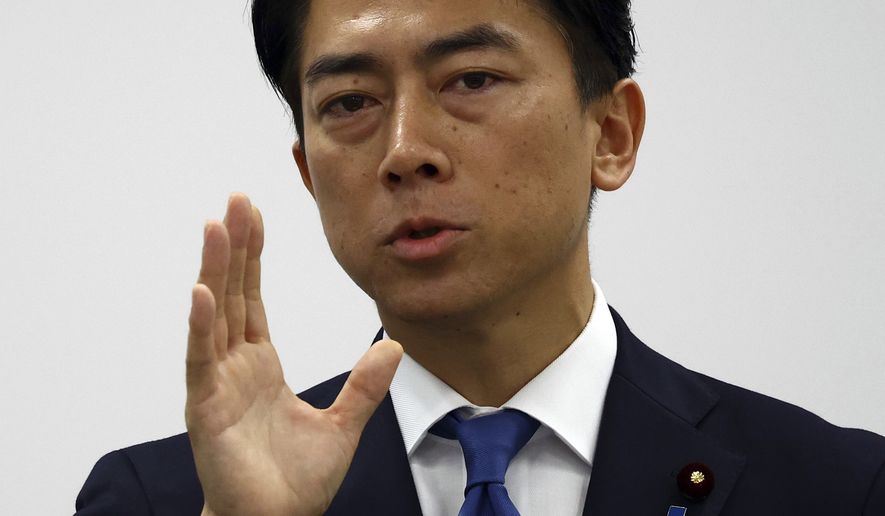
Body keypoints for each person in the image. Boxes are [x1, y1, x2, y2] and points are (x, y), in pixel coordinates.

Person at [75, 0, 885, 514]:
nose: (405, 151)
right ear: (309, 175)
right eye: (350, 102)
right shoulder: (166, 499)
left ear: (610, 134)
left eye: (470, 80)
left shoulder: (839, 488)